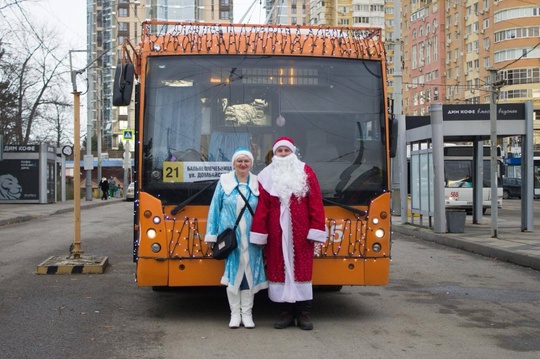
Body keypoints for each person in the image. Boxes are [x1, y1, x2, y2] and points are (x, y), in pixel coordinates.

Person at [250, 136, 326, 330]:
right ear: (274, 154)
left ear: (293, 153)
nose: (283, 154)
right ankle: (285, 313)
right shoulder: (265, 175)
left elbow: (316, 202)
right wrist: (260, 233)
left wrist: (316, 228)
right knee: (278, 270)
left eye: (286, 151)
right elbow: (262, 209)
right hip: (277, 232)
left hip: (301, 232)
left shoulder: (305, 171)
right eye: (279, 151)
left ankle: (304, 314)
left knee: (302, 270)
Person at [205, 148, 268, 329]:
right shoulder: (223, 182)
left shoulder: (258, 183)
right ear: (233, 163)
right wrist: (212, 235)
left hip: (252, 238)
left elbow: (265, 209)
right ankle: (234, 314)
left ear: (251, 164)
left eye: (246, 161)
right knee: (233, 274)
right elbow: (214, 209)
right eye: (239, 161)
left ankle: (247, 314)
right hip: (231, 239)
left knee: (249, 275)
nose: (243, 164)